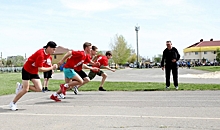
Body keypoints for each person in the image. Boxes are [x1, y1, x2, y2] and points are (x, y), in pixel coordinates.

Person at [9, 41, 58, 111]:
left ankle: (21, 86)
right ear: (49, 47)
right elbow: (40, 69)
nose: (54, 51)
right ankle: (13, 103)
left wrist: (51, 68)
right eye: (53, 49)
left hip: (34, 71)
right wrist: (52, 68)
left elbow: (45, 64)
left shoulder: (48, 55)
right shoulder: (40, 54)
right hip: (27, 70)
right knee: (25, 90)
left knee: (39, 89)